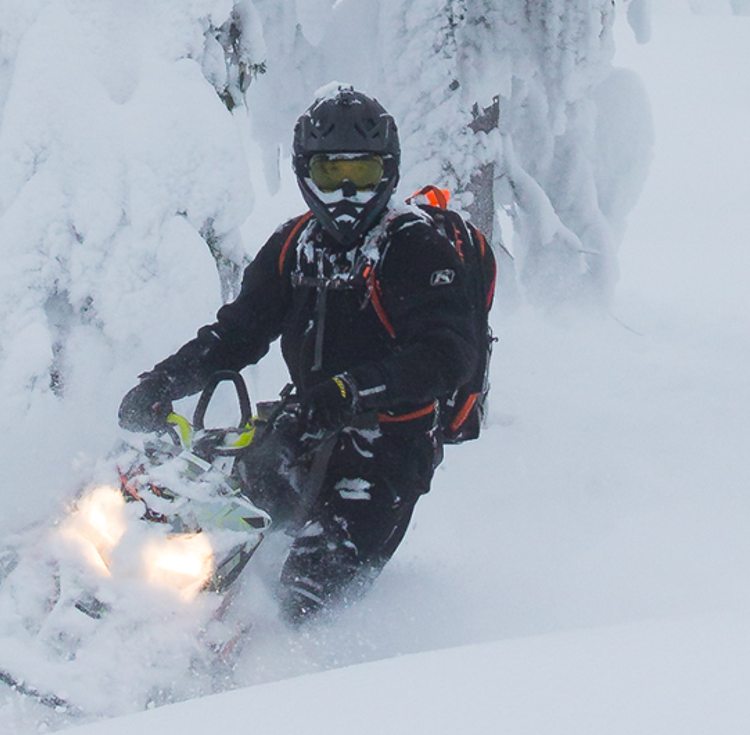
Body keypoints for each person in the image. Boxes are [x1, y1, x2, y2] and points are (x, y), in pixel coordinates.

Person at [117, 84, 494, 621]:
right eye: (329, 174)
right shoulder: (294, 246)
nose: (345, 193)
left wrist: (352, 390)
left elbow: (446, 354)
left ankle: (275, 678)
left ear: (386, 172)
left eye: (360, 175)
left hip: (385, 452)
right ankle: (96, 599)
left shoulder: (415, 247)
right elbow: (237, 333)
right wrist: (163, 383)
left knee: (301, 601)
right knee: (186, 518)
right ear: (305, 173)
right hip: (299, 429)